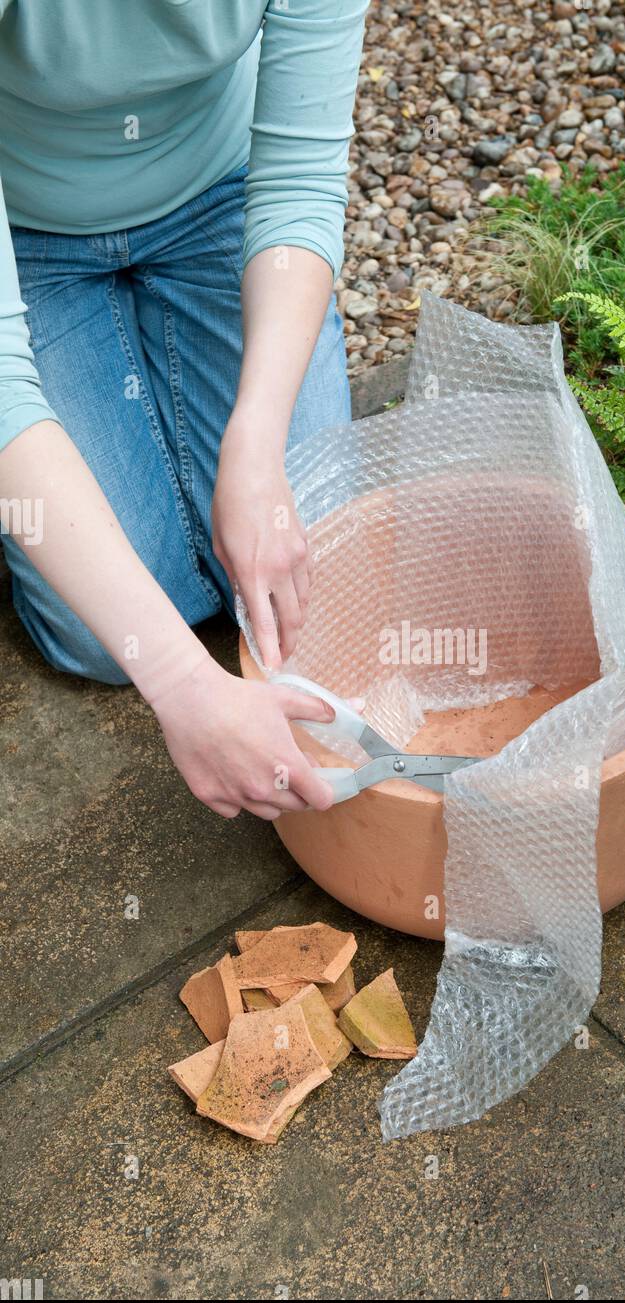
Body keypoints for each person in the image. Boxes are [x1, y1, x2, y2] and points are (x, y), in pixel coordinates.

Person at [0, 0, 370, 819]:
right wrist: (179, 681)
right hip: (25, 229)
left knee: (310, 552)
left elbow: (300, 185)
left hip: (222, 198)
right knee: (106, 638)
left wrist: (257, 445)